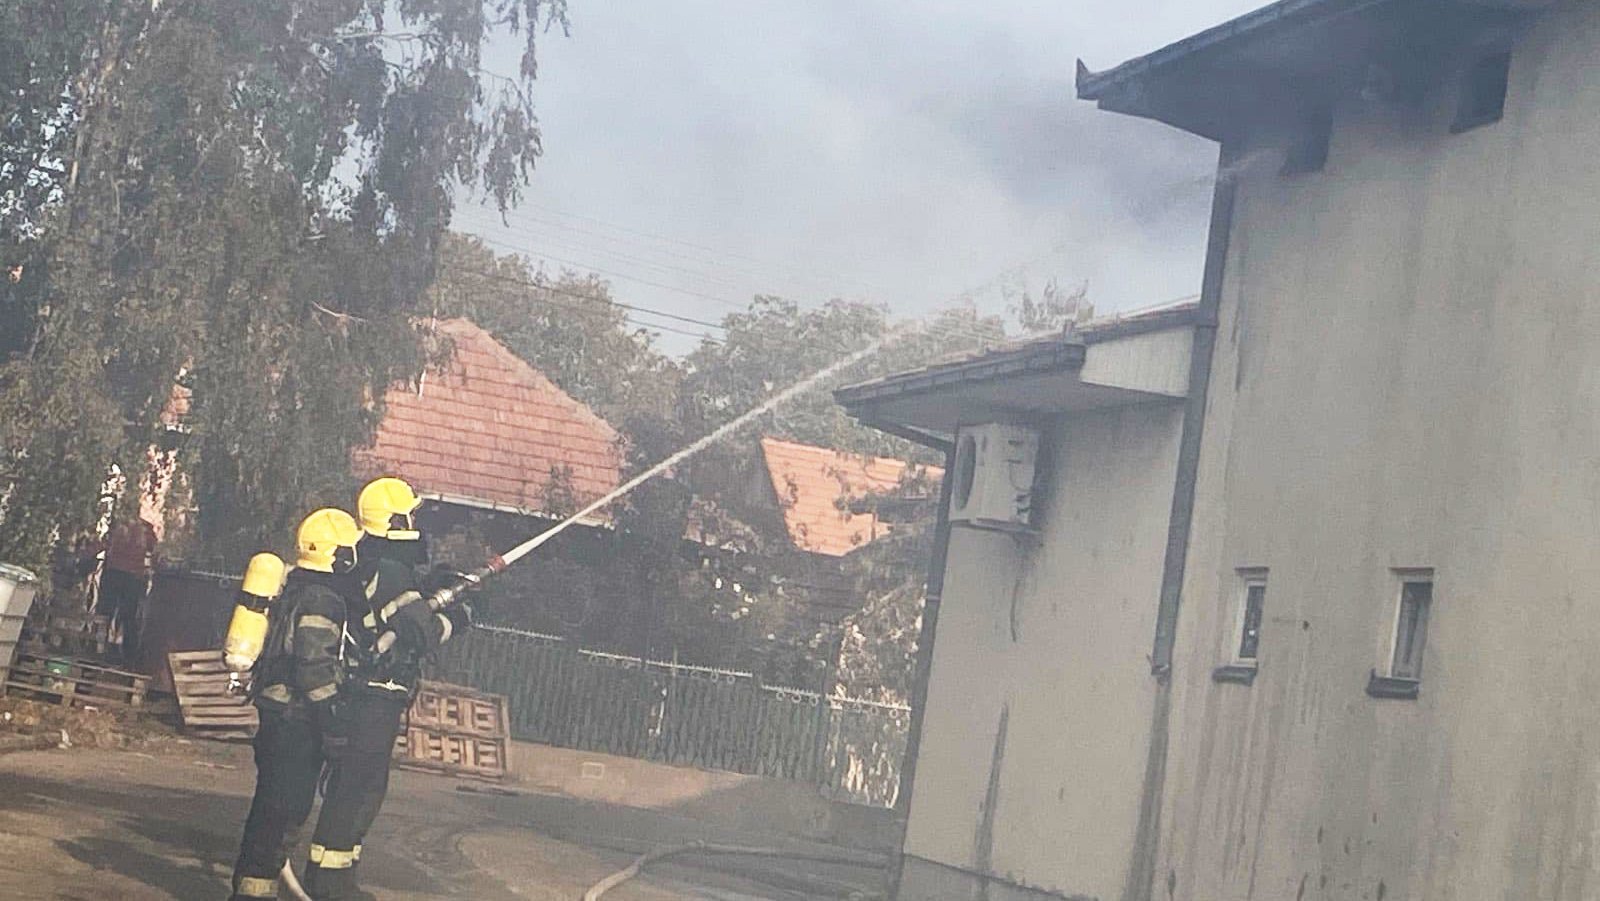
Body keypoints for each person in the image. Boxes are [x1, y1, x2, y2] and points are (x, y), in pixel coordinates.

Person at [302, 477, 472, 900]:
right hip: (374, 694)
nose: (415, 520)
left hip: (363, 692)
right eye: (410, 513)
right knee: (359, 789)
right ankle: (328, 885)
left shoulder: (367, 562)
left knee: (356, 788)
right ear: (396, 520)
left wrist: (431, 588)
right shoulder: (391, 571)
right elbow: (423, 632)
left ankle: (335, 878)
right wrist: (465, 613)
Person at [230, 508, 365, 901]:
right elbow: (315, 667)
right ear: (340, 556)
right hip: (297, 719)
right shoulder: (323, 599)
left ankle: (252, 889)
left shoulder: (296, 585)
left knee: (271, 807)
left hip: (277, 711)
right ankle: (252, 893)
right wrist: (334, 722)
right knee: (282, 811)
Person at [97, 517, 157, 662]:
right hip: (132, 577)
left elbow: (105, 543)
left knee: (106, 612)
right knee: (128, 616)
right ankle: (128, 654)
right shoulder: (145, 529)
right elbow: (152, 549)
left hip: (115, 572)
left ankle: (98, 646)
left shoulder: (118, 524)